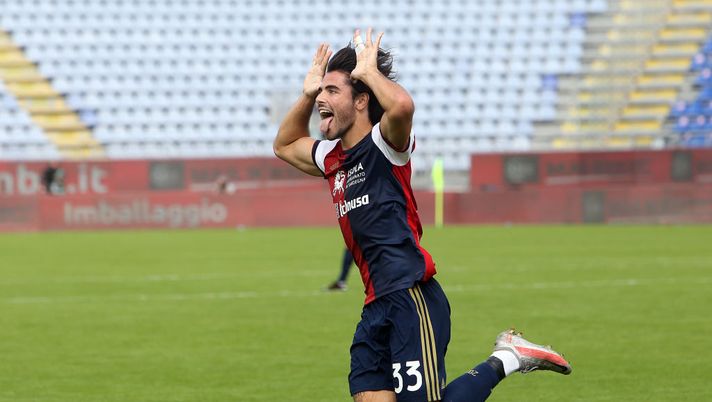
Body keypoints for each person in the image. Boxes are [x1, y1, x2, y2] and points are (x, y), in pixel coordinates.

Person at [273, 28, 572, 402]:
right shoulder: (332, 158)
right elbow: (284, 144)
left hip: (411, 298)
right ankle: (509, 356)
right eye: (321, 92)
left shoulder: (385, 143)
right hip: (375, 304)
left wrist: (369, 72)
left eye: (332, 91)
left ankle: (507, 358)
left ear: (362, 99)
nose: (322, 99)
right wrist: (306, 94)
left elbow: (401, 107)